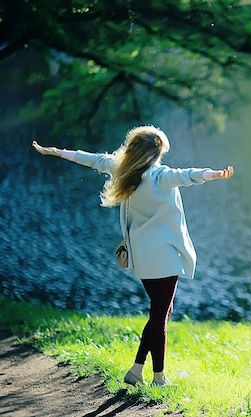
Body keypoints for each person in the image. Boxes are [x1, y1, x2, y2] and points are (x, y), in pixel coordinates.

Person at [32, 125, 234, 386]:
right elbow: (187, 175)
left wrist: (55, 152)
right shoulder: (160, 175)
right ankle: (159, 377)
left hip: (142, 257)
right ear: (154, 153)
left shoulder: (123, 170)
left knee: (160, 313)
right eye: (161, 153)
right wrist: (214, 174)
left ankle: (136, 371)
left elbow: (90, 158)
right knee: (160, 316)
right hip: (165, 255)